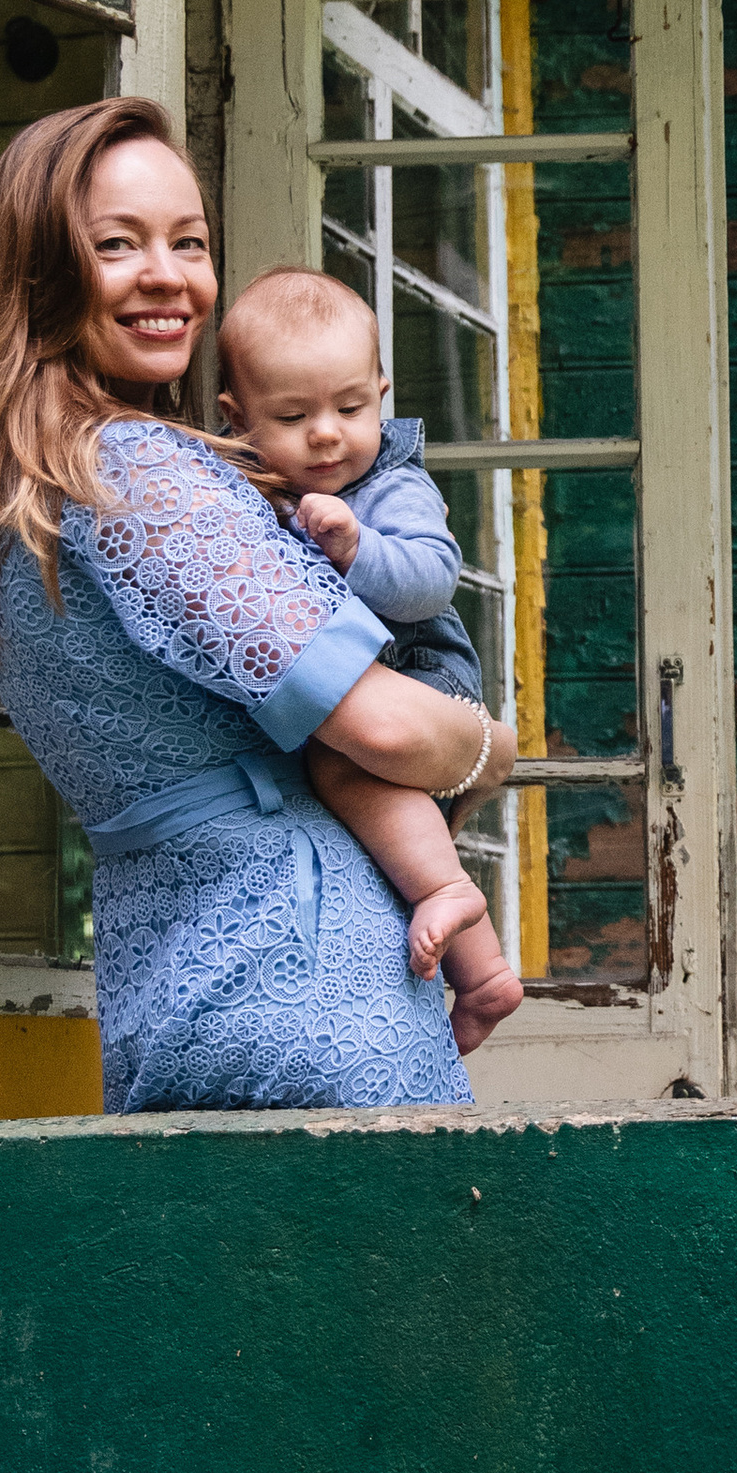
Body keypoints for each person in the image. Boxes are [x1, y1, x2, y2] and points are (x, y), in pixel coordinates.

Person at [0, 96, 518, 1115]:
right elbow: (379, 726)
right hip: (309, 978)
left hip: (167, 984)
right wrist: (492, 748)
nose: (170, 276)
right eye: (118, 243)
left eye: (188, 242)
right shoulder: (134, 468)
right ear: (44, 269)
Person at [215, 265, 523, 1050]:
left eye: (351, 407)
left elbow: (431, 580)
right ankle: (483, 978)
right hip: (360, 685)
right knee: (385, 816)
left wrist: (359, 549)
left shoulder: (391, 485)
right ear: (239, 417)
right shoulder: (246, 491)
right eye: (292, 415)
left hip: (422, 671)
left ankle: (451, 890)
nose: (327, 433)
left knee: (346, 772)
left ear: (381, 394)